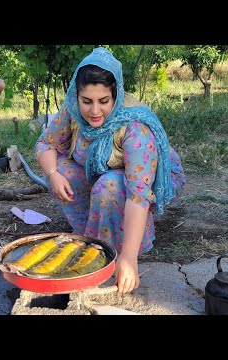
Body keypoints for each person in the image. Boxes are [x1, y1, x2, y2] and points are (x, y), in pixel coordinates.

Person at [35, 47, 186, 294]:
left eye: (104, 101)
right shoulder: (72, 111)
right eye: (87, 101)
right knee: (61, 167)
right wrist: (52, 174)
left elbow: (138, 193)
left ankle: (115, 252)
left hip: (143, 180)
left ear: (116, 96)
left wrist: (129, 258)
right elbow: (46, 143)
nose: (95, 111)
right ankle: (93, 236)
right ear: (77, 95)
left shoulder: (134, 125)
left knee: (110, 186)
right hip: (102, 174)